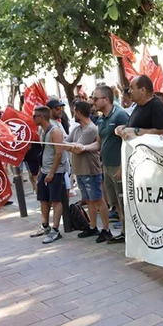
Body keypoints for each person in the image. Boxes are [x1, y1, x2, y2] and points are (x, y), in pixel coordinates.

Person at [67, 100, 113, 243]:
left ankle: (106, 230)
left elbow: (75, 148)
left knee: (97, 199)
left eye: (75, 112)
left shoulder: (90, 129)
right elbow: (66, 143)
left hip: (90, 169)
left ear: (79, 113)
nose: (74, 114)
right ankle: (92, 227)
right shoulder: (77, 129)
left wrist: (68, 146)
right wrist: (67, 145)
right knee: (88, 200)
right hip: (80, 170)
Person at [93, 85, 130, 244]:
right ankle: (123, 232)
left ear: (106, 99)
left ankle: (129, 233)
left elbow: (129, 141)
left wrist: (123, 165)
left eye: (95, 98)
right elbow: (98, 144)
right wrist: (79, 147)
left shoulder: (120, 115)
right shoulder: (101, 119)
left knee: (124, 201)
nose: (92, 102)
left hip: (118, 165)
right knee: (115, 203)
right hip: (107, 166)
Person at [31, 106, 70, 244]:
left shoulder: (55, 131)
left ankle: (55, 229)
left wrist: (52, 172)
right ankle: (45, 225)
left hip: (56, 171)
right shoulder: (42, 130)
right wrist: (43, 170)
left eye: (34, 116)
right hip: (45, 170)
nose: (33, 118)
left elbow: (59, 153)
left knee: (56, 200)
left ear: (41, 117)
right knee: (43, 198)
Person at [115, 74, 163, 140]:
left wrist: (136, 131)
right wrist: (123, 128)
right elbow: (135, 126)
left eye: (132, 88)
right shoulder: (138, 105)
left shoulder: (156, 106)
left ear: (142, 90)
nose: (129, 91)